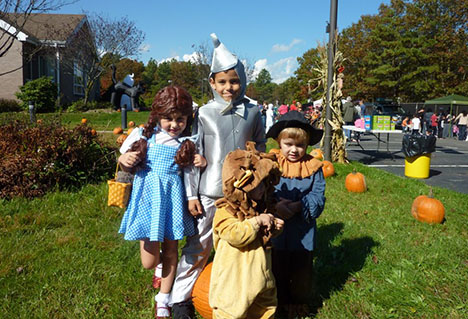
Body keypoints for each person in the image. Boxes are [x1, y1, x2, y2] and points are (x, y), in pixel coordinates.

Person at [169, 33, 266, 318]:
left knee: (239, 246)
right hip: (209, 192)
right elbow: (191, 157)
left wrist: (256, 168)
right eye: (222, 82)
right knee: (199, 245)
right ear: (212, 82)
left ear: (243, 81)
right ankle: (180, 299)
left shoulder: (253, 112)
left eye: (234, 81)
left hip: (242, 192)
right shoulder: (203, 114)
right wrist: (191, 194)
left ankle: (235, 296)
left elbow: (259, 144)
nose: (229, 87)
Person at [118, 86, 206, 318]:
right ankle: (157, 267)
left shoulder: (186, 143)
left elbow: (189, 175)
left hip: (173, 202)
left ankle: (164, 298)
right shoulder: (143, 135)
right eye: (168, 118)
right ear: (157, 115)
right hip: (148, 200)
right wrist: (125, 158)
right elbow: (123, 158)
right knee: (149, 261)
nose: (174, 125)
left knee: (170, 250)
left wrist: (198, 167)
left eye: (180, 119)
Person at [209, 142, 284, 318]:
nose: (263, 189)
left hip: (261, 275)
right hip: (234, 278)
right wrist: (256, 222)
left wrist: (274, 228)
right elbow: (235, 235)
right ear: (240, 188)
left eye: (265, 184)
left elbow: (265, 236)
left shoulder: (262, 208)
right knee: (231, 309)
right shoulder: (225, 212)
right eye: (258, 185)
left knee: (264, 308)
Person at [266, 110, 326, 318]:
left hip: (303, 229)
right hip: (276, 227)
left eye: (299, 145)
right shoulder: (270, 164)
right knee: (277, 268)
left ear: (307, 145)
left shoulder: (314, 167)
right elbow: (262, 189)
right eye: (288, 144)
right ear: (279, 142)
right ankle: (279, 301)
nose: (294, 150)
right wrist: (275, 204)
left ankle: (298, 303)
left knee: (301, 270)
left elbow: (318, 195)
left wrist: (299, 206)